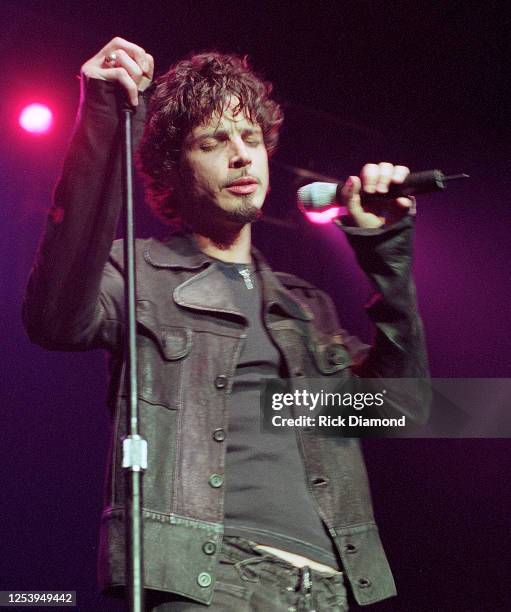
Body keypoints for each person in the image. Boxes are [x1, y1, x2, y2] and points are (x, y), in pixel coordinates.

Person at [22, 37, 429, 611]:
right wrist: (105, 115)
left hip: (332, 590)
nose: (242, 156)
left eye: (251, 139)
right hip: (211, 583)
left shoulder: (305, 308)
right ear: (173, 169)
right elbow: (54, 320)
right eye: (215, 141)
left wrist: (387, 253)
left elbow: (401, 412)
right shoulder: (140, 274)